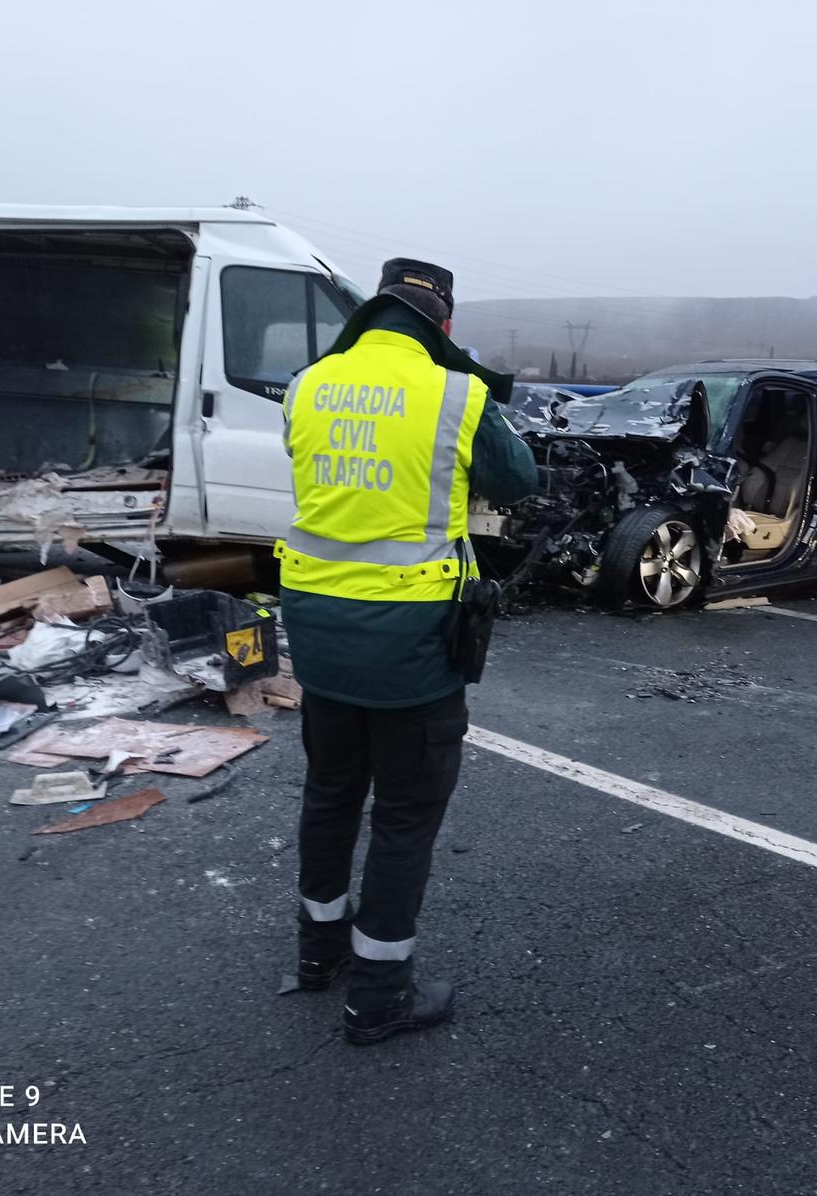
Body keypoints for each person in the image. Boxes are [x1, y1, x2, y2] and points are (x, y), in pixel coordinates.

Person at [278, 258, 537, 1045]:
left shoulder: (308, 383)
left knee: (329, 790)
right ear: (444, 326)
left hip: (317, 634)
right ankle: (379, 995)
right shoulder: (457, 393)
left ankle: (318, 954)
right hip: (412, 646)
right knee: (403, 814)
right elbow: (518, 479)